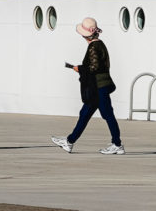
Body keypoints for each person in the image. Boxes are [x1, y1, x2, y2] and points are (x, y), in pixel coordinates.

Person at [52, 17, 123, 155]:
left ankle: (117, 144)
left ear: (86, 35)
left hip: (98, 87)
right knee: (85, 114)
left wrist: (79, 68)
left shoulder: (93, 46)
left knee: (107, 115)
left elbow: (94, 67)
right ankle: (69, 141)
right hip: (99, 86)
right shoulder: (100, 44)